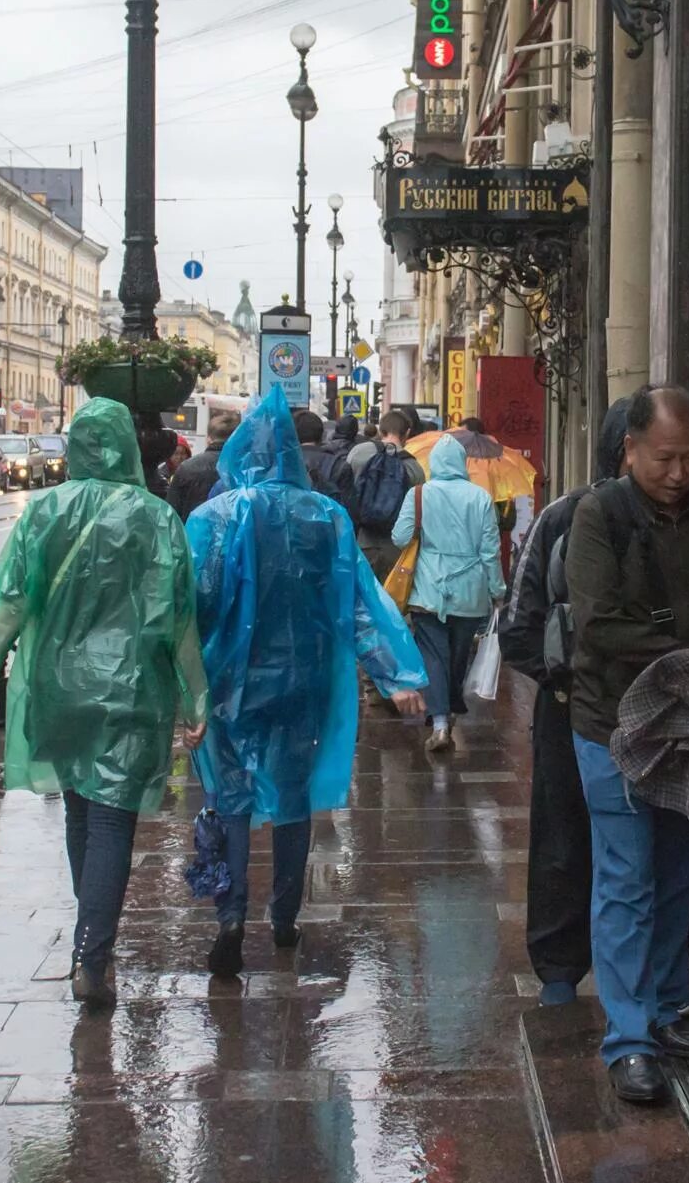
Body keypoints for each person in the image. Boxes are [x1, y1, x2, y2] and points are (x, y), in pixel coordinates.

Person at [0, 398, 208, 1011]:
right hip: (128, 690)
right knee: (112, 817)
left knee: (78, 804)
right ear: (126, 446)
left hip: (58, 686)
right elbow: (175, 616)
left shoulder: (43, 511)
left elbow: (8, 601)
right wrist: (194, 697)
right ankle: (92, 952)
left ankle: (92, 938)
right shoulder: (155, 518)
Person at [186, 388, 428, 975]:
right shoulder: (326, 516)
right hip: (303, 679)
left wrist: (182, 688)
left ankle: (232, 916)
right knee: (292, 797)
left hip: (230, 685)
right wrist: (396, 675)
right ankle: (285, 915)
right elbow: (361, 603)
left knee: (233, 799)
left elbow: (191, 607)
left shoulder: (213, 518)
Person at [566, 384, 689, 1103]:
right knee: (626, 876)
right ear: (630, 449)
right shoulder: (599, 513)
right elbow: (599, 626)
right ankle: (630, 1038)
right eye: (664, 458)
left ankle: (672, 1004)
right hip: (610, 721)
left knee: (677, 869)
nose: (679, 473)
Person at [498, 399, 631, 1006]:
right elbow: (519, 627)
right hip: (571, 705)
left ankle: (651, 976)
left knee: (654, 843)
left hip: (652, 707)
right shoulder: (567, 517)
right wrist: (564, 680)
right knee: (564, 831)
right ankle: (558, 967)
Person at [393, 434, 505, 751]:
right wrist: (498, 590)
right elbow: (490, 551)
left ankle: (441, 723)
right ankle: (446, 715)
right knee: (457, 658)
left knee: (434, 657)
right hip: (471, 593)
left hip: (427, 590)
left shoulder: (419, 494)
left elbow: (400, 538)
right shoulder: (481, 498)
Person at [349, 411, 425, 579]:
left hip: (362, 543)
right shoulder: (414, 467)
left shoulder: (358, 453)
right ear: (407, 433)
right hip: (397, 550)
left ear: (381, 431)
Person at [168, 410, 240, 519]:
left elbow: (172, 512)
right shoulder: (244, 469)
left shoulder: (186, 468)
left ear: (208, 439)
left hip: (190, 532)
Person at [294, 408, 357, 519]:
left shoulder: (282, 464)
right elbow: (350, 512)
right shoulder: (339, 465)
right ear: (322, 435)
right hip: (330, 531)